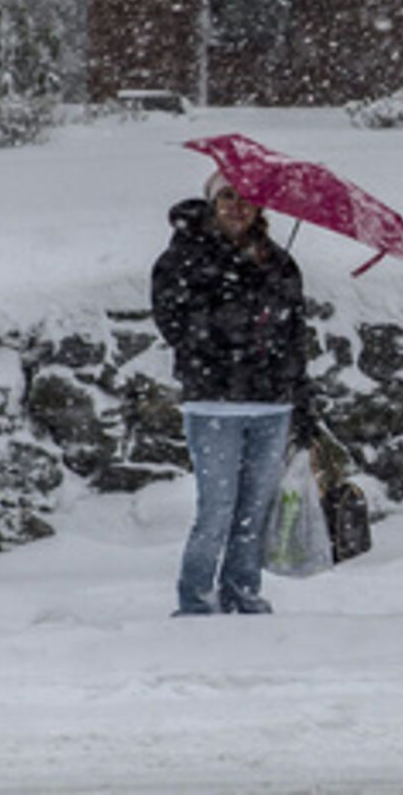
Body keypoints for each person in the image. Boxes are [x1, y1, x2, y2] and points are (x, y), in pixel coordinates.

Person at [151, 170, 313, 616]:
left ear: (261, 207)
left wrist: (301, 400)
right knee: (216, 509)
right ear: (212, 202)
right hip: (213, 399)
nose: (236, 206)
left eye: (247, 198)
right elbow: (172, 321)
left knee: (253, 510)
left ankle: (242, 592)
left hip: (271, 403)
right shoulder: (186, 256)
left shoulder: (278, 263)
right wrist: (226, 332)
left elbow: (296, 335)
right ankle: (196, 598)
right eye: (226, 197)